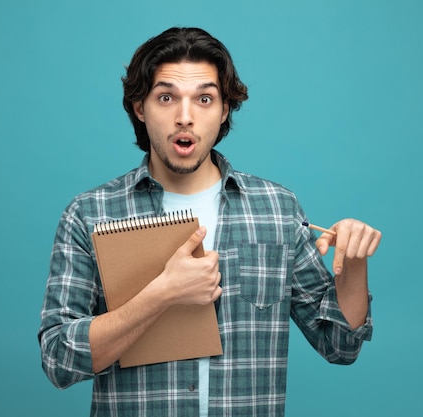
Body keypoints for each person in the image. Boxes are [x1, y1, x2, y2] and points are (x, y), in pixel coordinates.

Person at [39, 27, 382, 416]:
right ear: (139, 107)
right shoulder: (89, 214)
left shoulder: (277, 209)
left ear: (224, 111)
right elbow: (59, 360)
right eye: (166, 97)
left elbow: (339, 344)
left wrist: (353, 263)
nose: (185, 117)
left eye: (204, 99)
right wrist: (162, 294)